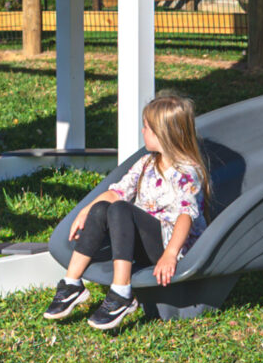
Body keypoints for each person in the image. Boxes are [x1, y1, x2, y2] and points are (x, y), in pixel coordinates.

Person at [45, 92, 209, 332]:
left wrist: (171, 254)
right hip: (147, 242)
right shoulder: (146, 163)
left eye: (147, 127)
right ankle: (72, 284)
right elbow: (117, 192)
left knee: (122, 209)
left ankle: (122, 292)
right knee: (103, 207)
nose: (142, 131)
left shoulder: (187, 172)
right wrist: (85, 212)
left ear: (163, 134)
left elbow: (186, 216)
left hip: (171, 245)